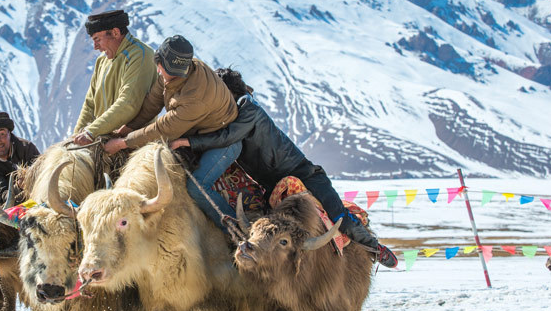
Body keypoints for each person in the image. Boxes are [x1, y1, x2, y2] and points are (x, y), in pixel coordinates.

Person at [170, 68, 398, 268]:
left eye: (217, 93)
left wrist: (188, 142)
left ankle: (376, 250)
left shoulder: (248, 108)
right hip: (274, 187)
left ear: (226, 92)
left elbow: (227, 137)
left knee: (341, 218)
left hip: (308, 177)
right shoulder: (234, 115)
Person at [103, 35, 242, 230]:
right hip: (197, 133)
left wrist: (122, 143)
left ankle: (235, 229)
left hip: (223, 140)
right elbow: (152, 103)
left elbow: (164, 128)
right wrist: (127, 129)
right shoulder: (175, 72)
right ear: (158, 63)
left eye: (176, 73)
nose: (173, 75)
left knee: (197, 186)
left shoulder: (195, 96)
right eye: (168, 71)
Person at [71, 10, 157, 146]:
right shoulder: (102, 61)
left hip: (133, 142)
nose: (95, 47)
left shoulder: (141, 55)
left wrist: (92, 131)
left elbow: (128, 103)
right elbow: (90, 104)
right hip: (102, 139)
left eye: (97, 39)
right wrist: (76, 137)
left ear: (115, 33)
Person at [0, 111, 40, 204]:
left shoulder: (26, 148)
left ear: (9, 134)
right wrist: (19, 186)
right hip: (11, 210)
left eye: (2, 134)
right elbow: (3, 199)